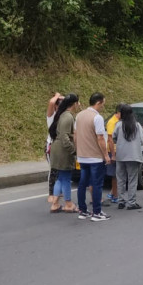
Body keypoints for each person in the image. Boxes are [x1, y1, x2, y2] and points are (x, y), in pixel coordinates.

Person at [75, 92, 111, 222]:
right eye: (102, 104)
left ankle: (82, 211)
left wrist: (78, 150)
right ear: (98, 103)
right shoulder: (97, 118)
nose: (102, 107)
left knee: (82, 183)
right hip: (95, 157)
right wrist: (106, 155)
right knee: (97, 184)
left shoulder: (79, 116)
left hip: (82, 156)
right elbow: (100, 138)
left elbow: (75, 135)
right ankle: (97, 212)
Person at [48, 93, 79, 213]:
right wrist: (73, 150)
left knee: (60, 178)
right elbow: (65, 137)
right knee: (66, 178)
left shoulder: (61, 114)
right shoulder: (68, 117)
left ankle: (55, 204)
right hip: (63, 151)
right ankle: (68, 203)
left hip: (57, 148)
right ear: (75, 104)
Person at [113, 104, 143, 210]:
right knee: (132, 179)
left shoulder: (118, 125)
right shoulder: (137, 125)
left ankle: (121, 201)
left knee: (120, 179)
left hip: (121, 156)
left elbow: (114, 138)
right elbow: (141, 141)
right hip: (134, 155)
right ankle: (131, 202)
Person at [45, 92, 63, 207]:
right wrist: (58, 95)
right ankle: (51, 194)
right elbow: (51, 102)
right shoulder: (52, 116)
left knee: (60, 170)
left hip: (61, 146)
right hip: (51, 145)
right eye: (60, 104)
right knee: (53, 170)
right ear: (56, 106)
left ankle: (57, 192)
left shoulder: (64, 115)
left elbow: (76, 103)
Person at [104, 104, 122, 205]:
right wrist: (113, 155)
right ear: (118, 113)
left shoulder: (118, 121)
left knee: (118, 174)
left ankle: (112, 193)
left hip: (118, 150)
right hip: (113, 151)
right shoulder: (112, 122)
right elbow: (110, 139)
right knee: (115, 175)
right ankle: (115, 196)